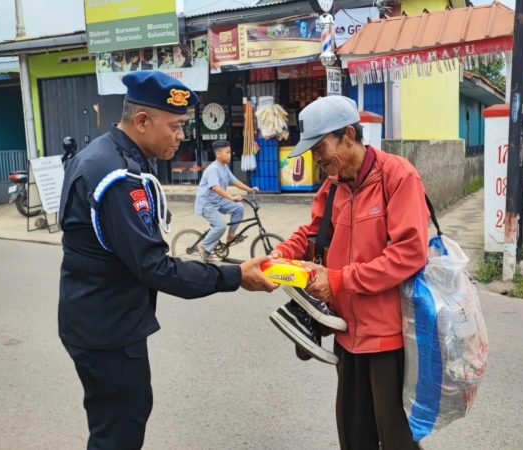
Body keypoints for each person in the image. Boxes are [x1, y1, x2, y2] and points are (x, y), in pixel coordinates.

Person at [58, 71, 278, 450]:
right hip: (109, 330)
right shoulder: (116, 176)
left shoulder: (108, 155)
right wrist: (235, 275)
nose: (180, 136)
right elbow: (155, 267)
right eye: (175, 127)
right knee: (119, 432)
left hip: (97, 319)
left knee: (117, 421)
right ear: (142, 121)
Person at [269, 96, 430, 450]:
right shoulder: (334, 185)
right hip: (346, 334)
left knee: (397, 439)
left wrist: (340, 280)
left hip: (389, 338)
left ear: (347, 135)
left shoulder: (397, 176)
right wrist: (280, 255)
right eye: (311, 152)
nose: (316, 159)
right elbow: (313, 233)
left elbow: (409, 252)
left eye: (320, 147)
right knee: (353, 435)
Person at [194, 139, 258, 262]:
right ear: (218, 154)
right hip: (207, 204)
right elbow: (215, 187)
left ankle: (231, 235)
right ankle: (203, 246)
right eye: (227, 152)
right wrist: (232, 197)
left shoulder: (224, 167)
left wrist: (249, 189)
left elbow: (234, 181)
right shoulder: (213, 169)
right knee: (220, 226)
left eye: (230, 152)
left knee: (239, 207)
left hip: (218, 201)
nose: (230, 155)